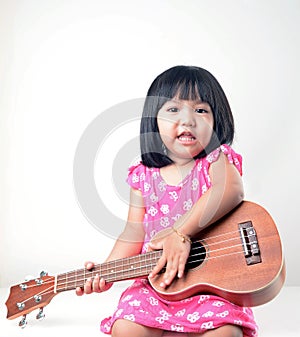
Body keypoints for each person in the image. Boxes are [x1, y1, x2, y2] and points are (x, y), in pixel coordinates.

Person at [76, 66, 258, 337]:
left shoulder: (215, 160)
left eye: (200, 110)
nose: (187, 121)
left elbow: (230, 189)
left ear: (217, 121)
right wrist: (106, 271)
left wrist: (178, 233)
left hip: (212, 288)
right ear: (154, 121)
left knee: (225, 334)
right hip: (156, 288)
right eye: (174, 110)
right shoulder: (143, 175)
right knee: (124, 329)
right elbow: (133, 232)